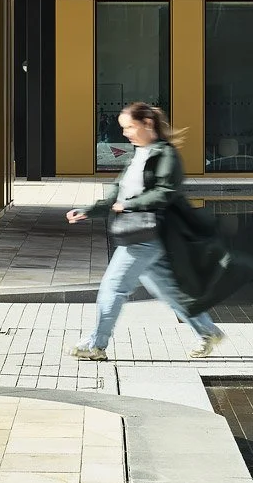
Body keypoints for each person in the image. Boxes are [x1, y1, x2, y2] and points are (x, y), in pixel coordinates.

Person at [67, 103, 225, 362]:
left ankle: (96, 345)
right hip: (141, 234)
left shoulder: (166, 155)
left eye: (129, 127)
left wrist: (129, 205)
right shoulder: (137, 155)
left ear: (147, 124)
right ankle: (207, 331)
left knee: (113, 287)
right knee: (169, 290)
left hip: (147, 234)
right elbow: (117, 194)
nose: (125, 133)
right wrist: (88, 211)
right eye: (123, 128)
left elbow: (165, 192)